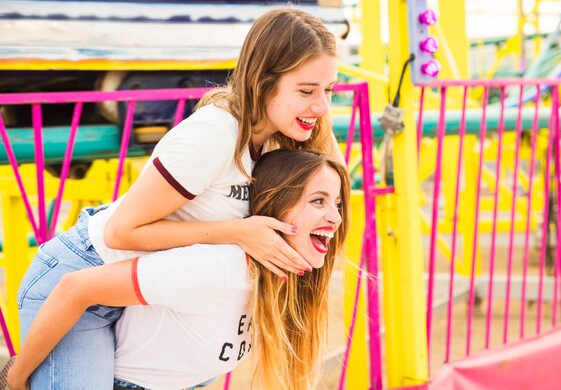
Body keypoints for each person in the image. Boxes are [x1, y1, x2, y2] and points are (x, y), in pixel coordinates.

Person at [11, 7, 344, 389]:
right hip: (83, 275)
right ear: (263, 82)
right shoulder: (213, 134)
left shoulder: (277, 136)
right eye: (306, 90)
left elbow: (336, 187)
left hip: (139, 289)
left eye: (329, 90)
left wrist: (315, 116)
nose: (321, 105)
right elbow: (122, 232)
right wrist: (238, 231)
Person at [8, 149, 350, 390]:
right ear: (275, 204)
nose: (335, 217)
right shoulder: (218, 269)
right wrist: (15, 377)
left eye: (336, 204)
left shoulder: (277, 277)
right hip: (80, 296)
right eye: (317, 201)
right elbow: (74, 287)